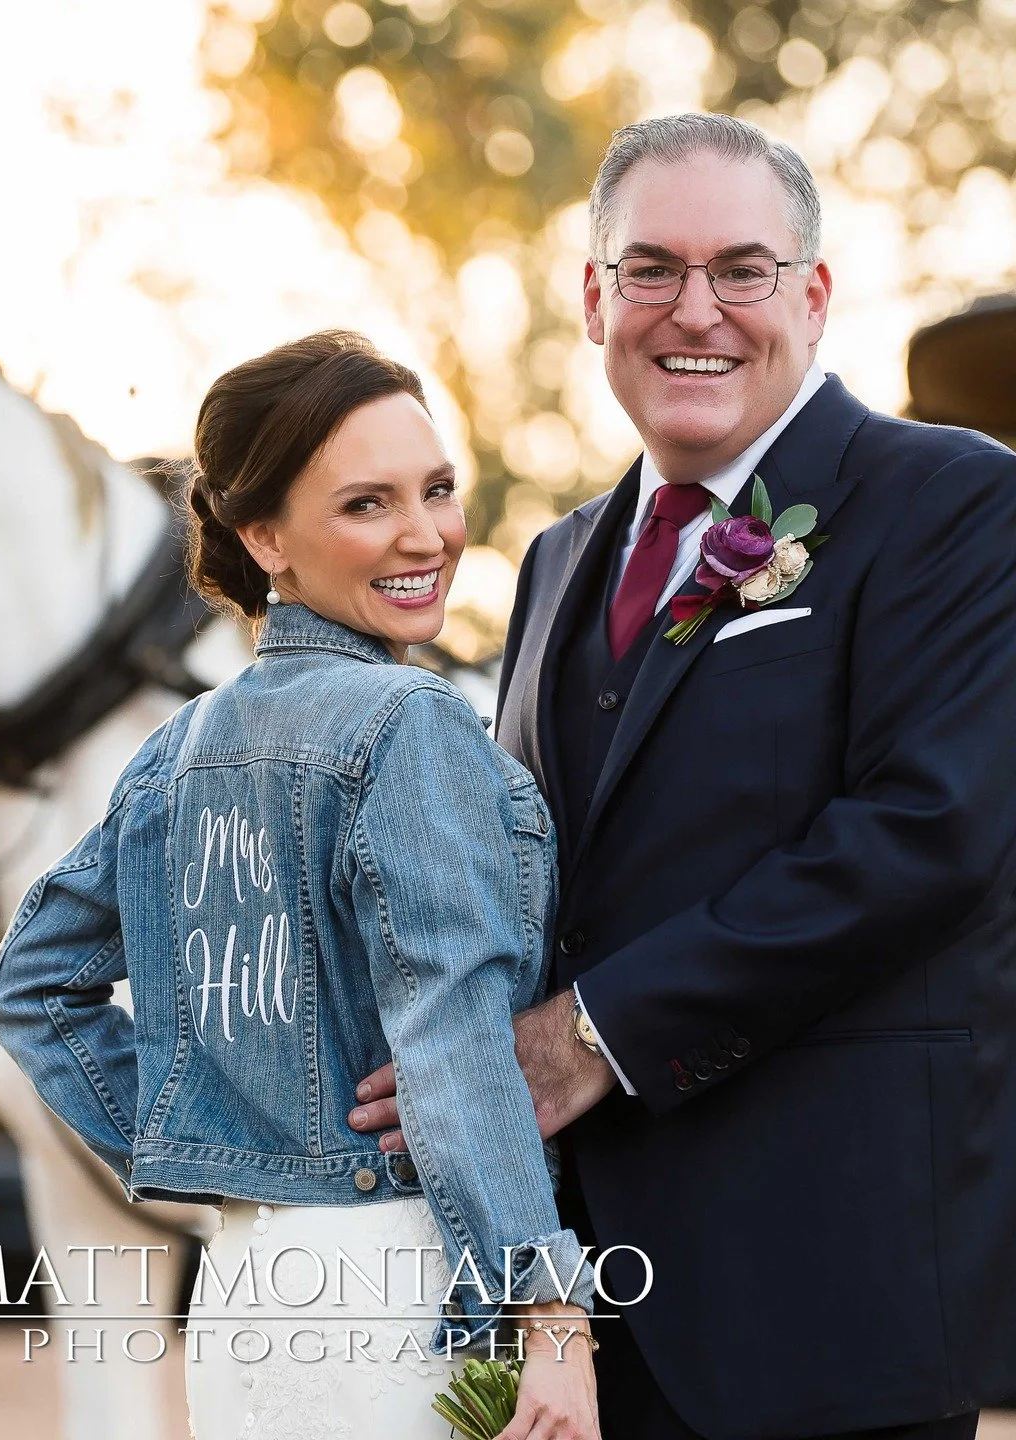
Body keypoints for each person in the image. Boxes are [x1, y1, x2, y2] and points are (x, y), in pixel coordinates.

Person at [350, 113, 1016, 1439]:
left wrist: (587, 1034)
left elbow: (925, 838)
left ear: (813, 297)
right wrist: (440, 1042)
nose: (693, 309)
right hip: (587, 1314)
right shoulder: (555, 557)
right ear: (594, 300)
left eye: (742, 270)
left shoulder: (957, 501)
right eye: (650, 268)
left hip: (827, 1293)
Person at [0, 331, 601, 1440]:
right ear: (263, 536)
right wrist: (552, 1313)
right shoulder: (411, 728)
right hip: (411, 1282)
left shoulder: (174, 754)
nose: (426, 537)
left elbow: (32, 986)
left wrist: (206, 1144)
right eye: (367, 505)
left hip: (244, 1290)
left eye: (438, 489)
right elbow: (454, 1042)